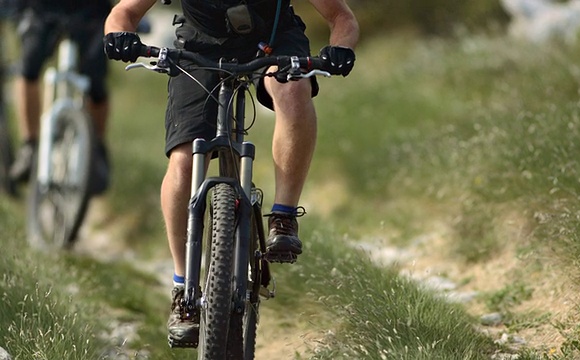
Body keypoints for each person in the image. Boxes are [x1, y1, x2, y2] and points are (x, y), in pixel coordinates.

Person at [103, 0, 359, 346]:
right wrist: (120, 37)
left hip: (273, 36)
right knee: (184, 159)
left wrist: (340, 49)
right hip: (199, 44)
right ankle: (183, 288)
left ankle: (283, 217)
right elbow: (124, 13)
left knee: (294, 91)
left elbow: (341, 17)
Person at [9, 0, 112, 194]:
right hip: (42, 7)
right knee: (28, 67)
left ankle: (96, 153)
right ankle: (29, 146)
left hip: (92, 10)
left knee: (96, 83)